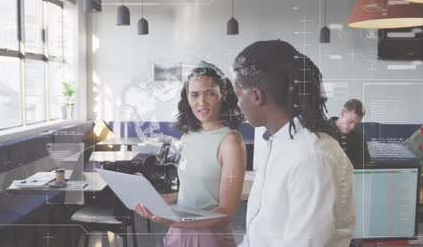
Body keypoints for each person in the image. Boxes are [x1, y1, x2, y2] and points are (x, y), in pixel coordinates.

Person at [231, 40, 356, 246]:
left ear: (256, 96)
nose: (237, 104)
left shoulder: (313, 157)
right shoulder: (278, 142)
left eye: (238, 95)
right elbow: (259, 233)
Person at [136, 61, 247, 247]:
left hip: (209, 237)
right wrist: (164, 199)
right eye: (194, 95)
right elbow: (197, 193)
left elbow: (225, 213)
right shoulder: (188, 135)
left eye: (210, 93)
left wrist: (173, 221)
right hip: (179, 232)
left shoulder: (231, 141)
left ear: (223, 94)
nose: (201, 102)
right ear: (187, 98)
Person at [326, 99, 371, 167]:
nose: (352, 127)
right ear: (343, 112)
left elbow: (365, 164)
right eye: (350, 121)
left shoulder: (358, 136)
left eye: (356, 124)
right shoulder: (323, 130)